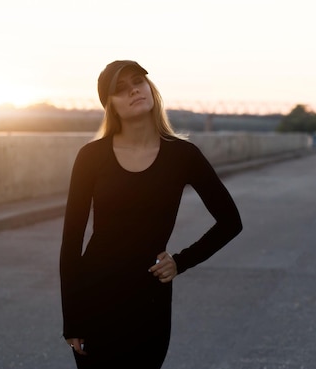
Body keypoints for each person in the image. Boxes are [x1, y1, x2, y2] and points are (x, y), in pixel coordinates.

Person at [59, 60, 243, 368]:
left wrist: (180, 262)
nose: (133, 90)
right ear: (110, 105)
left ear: (150, 88)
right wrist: (72, 320)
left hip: (150, 300)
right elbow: (71, 242)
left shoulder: (183, 155)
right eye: (120, 89)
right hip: (96, 298)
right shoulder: (91, 157)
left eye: (137, 81)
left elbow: (230, 222)